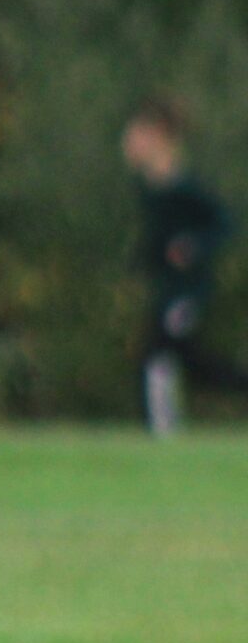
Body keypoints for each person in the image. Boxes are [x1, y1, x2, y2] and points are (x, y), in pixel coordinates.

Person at [120, 94, 247, 434]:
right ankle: (163, 428)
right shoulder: (150, 188)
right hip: (168, 290)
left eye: (137, 135)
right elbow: (156, 241)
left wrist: (194, 246)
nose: (129, 143)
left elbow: (225, 223)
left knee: (158, 352)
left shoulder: (184, 188)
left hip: (188, 291)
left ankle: (162, 430)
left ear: (158, 136)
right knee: (192, 363)